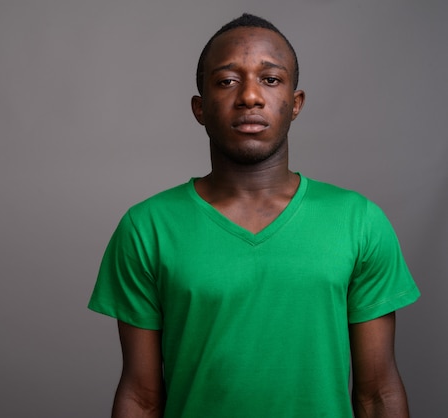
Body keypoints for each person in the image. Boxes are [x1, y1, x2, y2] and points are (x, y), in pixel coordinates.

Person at [88, 13, 420, 418]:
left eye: (271, 79)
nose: (249, 96)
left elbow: (378, 394)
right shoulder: (147, 228)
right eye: (227, 81)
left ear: (295, 104)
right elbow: (141, 396)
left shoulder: (359, 221)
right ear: (200, 108)